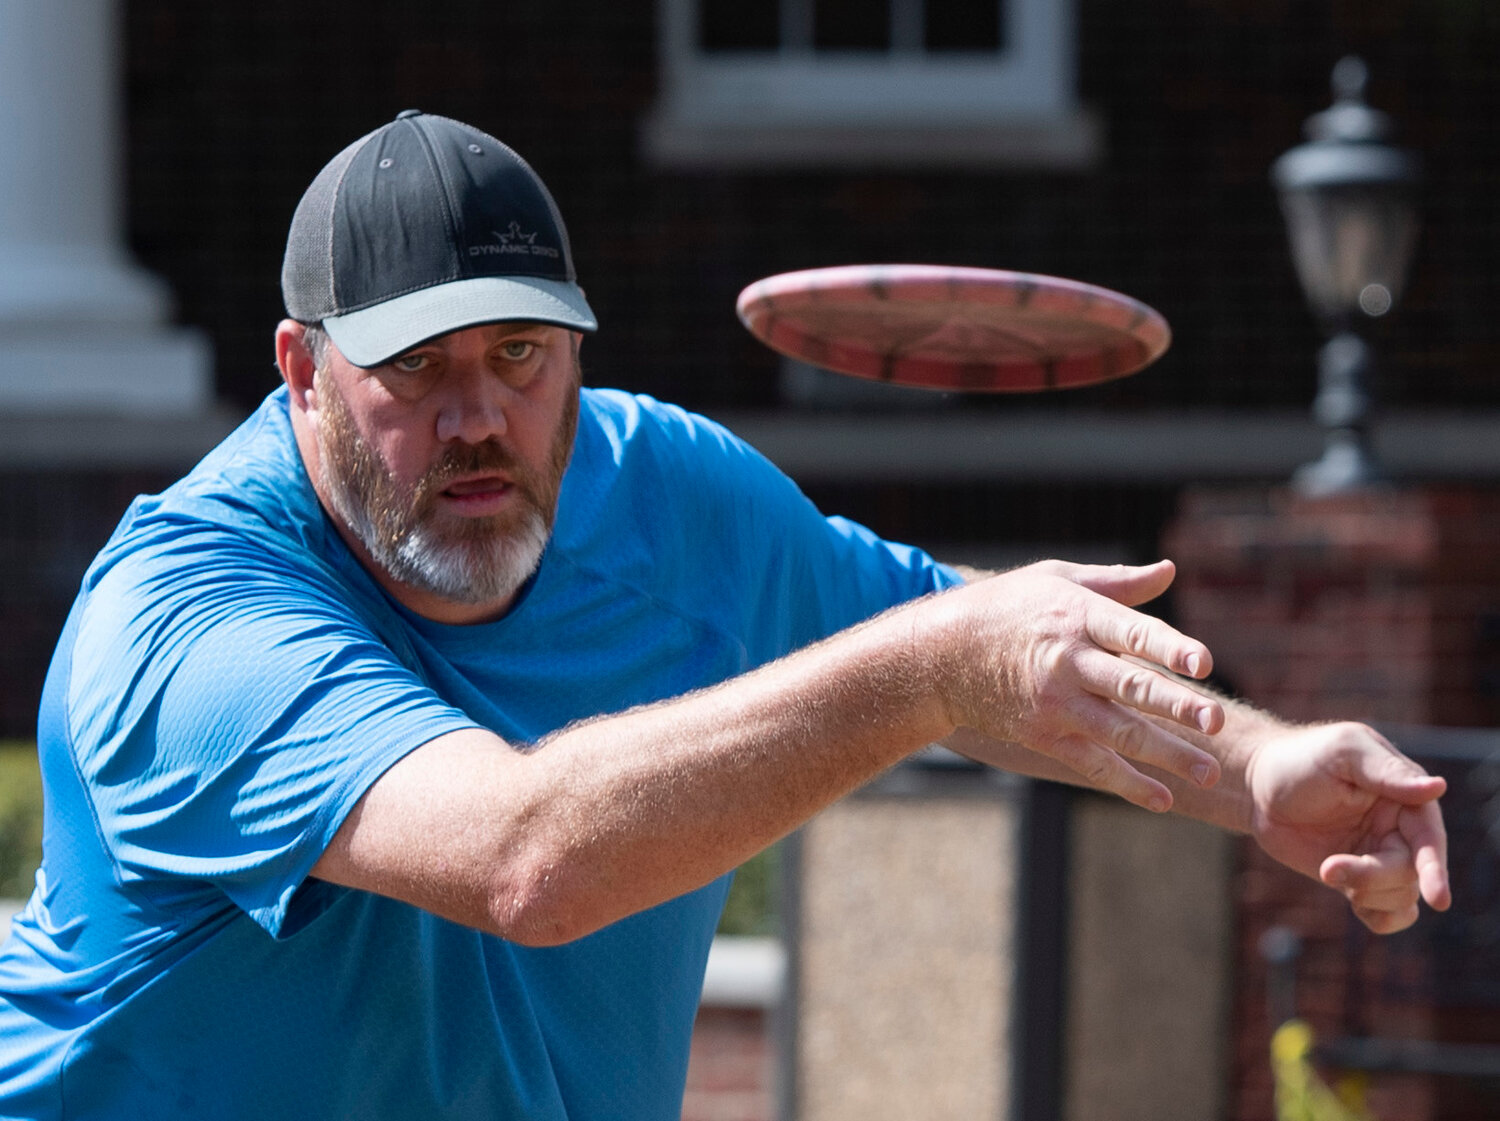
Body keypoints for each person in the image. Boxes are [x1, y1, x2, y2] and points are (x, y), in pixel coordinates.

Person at [0, 111, 1449, 1120]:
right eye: (419, 370)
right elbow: (527, 857)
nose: (481, 417)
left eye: (520, 355)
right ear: (303, 371)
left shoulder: (662, 488)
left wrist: (1254, 766)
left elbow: (1004, 664)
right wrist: (934, 669)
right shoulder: (185, 622)